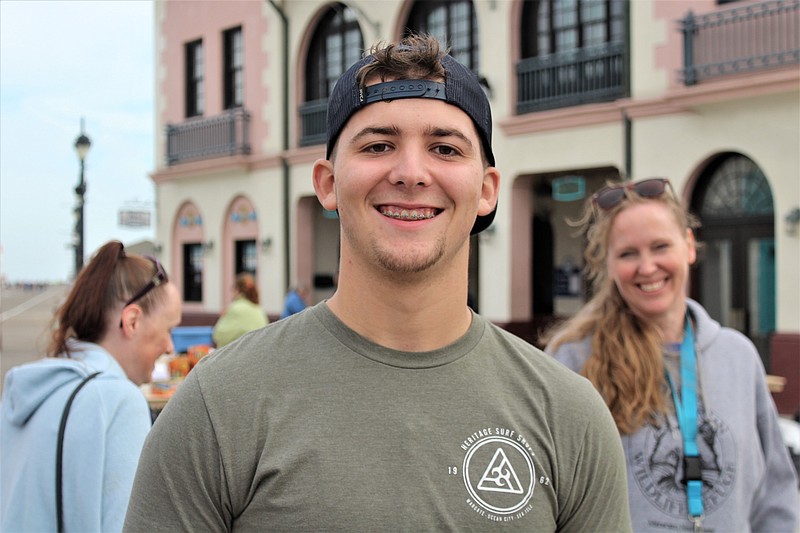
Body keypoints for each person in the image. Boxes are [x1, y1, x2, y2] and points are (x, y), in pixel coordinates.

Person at [124, 34, 631, 531]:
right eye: (379, 145)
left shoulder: (570, 415)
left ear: (486, 190)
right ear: (327, 183)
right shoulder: (218, 404)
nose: (411, 172)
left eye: (446, 149)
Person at [542, 177, 799, 532]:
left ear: (689, 246)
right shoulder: (572, 359)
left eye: (660, 246)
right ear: (610, 265)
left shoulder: (738, 356)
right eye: (628, 253)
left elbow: (776, 493)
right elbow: (550, 495)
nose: (647, 267)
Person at [1, 240, 182, 532]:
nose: (170, 345)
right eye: (168, 329)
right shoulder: (118, 401)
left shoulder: (27, 389)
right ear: (132, 320)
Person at [212, 272, 268, 347]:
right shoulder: (259, 309)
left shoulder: (236, 308)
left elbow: (219, 336)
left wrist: (223, 317)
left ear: (237, 290)